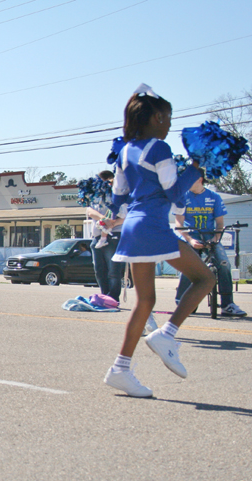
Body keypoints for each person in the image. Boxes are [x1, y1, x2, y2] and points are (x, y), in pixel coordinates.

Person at [103, 84, 214, 398]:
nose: (168, 123)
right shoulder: (159, 149)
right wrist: (195, 169)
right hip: (152, 226)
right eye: (165, 117)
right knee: (205, 277)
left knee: (146, 302)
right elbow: (174, 193)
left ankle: (120, 370)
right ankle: (168, 334)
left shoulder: (125, 151)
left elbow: (118, 198)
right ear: (152, 118)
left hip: (134, 227)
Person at [173, 175, 246, 317]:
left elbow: (219, 223)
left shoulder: (214, 197)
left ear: (199, 179)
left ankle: (227, 304)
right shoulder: (181, 197)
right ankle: (183, 301)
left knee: (224, 264)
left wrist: (216, 238)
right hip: (191, 235)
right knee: (188, 266)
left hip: (211, 234)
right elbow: (179, 224)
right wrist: (190, 240)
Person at [85, 170, 127, 303]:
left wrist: (112, 223)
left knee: (113, 271)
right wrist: (104, 219)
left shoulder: (119, 195)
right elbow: (89, 211)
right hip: (97, 236)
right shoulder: (96, 196)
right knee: (99, 270)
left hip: (114, 235)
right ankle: (104, 296)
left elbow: (126, 216)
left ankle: (113, 298)